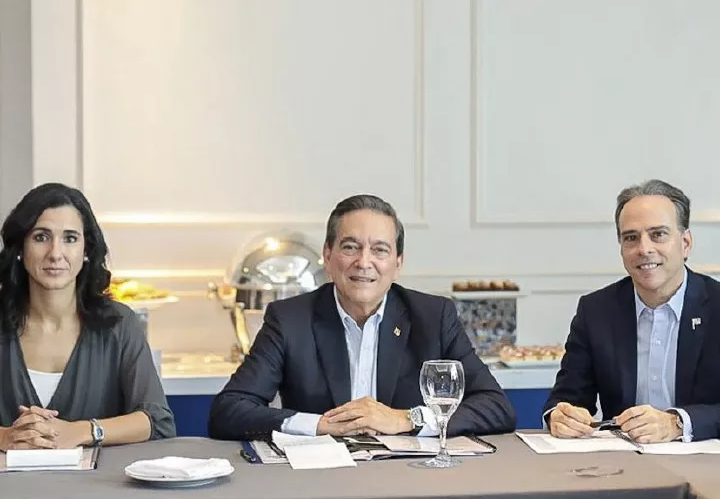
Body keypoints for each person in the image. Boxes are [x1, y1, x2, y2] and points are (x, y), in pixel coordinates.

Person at [209, 194, 515, 440]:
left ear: (397, 264)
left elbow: (495, 406)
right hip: (321, 478)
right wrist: (320, 425)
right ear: (328, 256)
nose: (364, 262)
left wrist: (406, 419)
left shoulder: (433, 316)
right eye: (350, 247)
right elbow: (228, 411)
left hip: (410, 478)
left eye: (379, 250)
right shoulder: (290, 319)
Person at [0, 183, 176, 451]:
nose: (55, 254)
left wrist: (84, 431)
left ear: (86, 250)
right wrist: (4, 437)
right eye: (41, 237)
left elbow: (156, 421)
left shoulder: (119, 324)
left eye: (70, 238)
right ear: (21, 248)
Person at [544, 179, 720, 443]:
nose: (644, 249)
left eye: (658, 234)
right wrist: (561, 416)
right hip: (623, 461)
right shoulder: (596, 311)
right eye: (631, 238)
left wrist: (678, 423)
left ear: (685, 243)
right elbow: (568, 397)